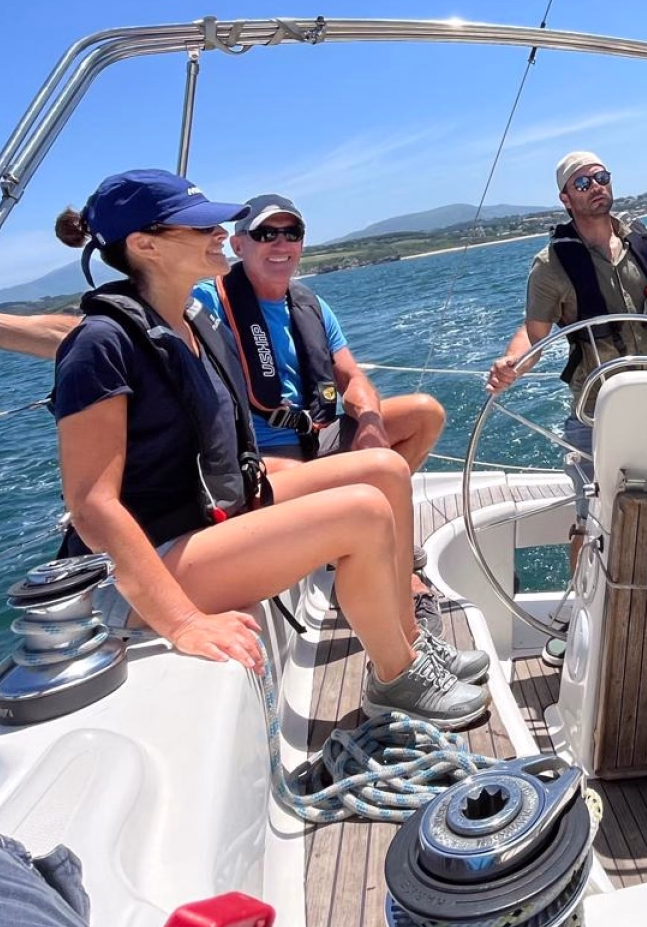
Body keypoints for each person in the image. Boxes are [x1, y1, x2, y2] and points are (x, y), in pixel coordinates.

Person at [44, 168, 487, 728]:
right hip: (151, 563)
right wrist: (181, 621)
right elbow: (91, 505)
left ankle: (409, 640)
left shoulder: (192, 320)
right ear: (145, 245)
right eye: (200, 224)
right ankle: (395, 678)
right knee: (363, 511)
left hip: (210, 514)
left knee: (382, 470)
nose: (219, 231)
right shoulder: (99, 346)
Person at [0, 192, 449, 625]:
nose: (280, 243)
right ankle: (393, 587)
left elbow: (350, 374)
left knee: (420, 416)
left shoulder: (311, 303)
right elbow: (86, 335)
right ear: (239, 243)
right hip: (260, 453)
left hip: (316, 432)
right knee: (363, 493)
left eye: (292, 232)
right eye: (265, 233)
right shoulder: (205, 298)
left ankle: (382, 568)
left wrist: (371, 424)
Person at [485, 151, 647, 660]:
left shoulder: (643, 239)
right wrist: (511, 365)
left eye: (601, 177)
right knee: (592, 519)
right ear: (566, 197)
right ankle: (585, 618)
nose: (596, 186)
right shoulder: (551, 266)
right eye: (583, 182)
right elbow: (533, 336)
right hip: (597, 407)